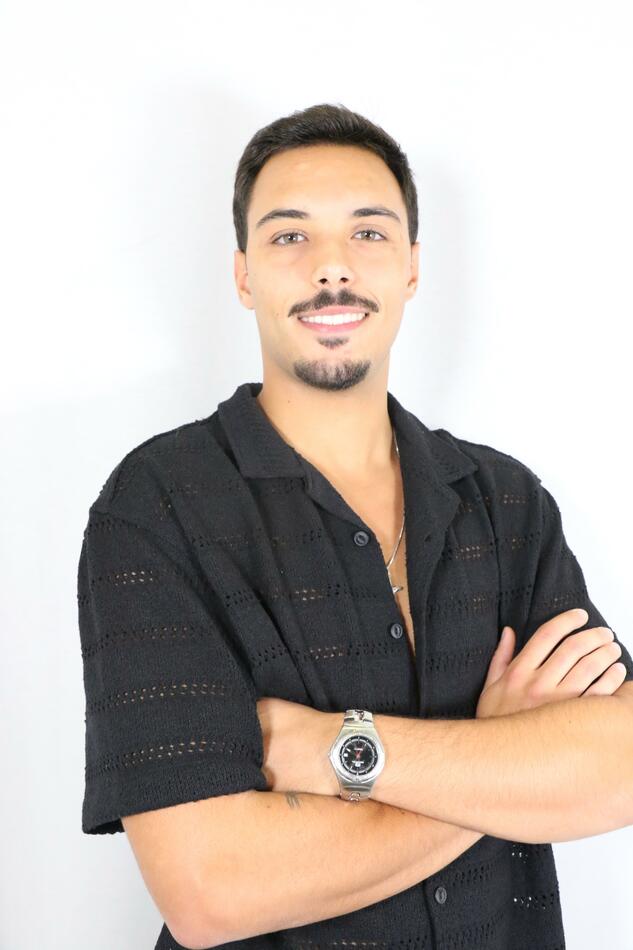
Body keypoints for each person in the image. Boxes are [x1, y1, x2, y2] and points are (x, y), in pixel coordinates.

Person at [77, 103, 633, 950]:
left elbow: (616, 767)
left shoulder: (506, 501)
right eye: (289, 236)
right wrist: (498, 758)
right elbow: (209, 890)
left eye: (368, 233)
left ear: (411, 268)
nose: (331, 266)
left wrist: (333, 747)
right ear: (243, 275)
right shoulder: (155, 508)